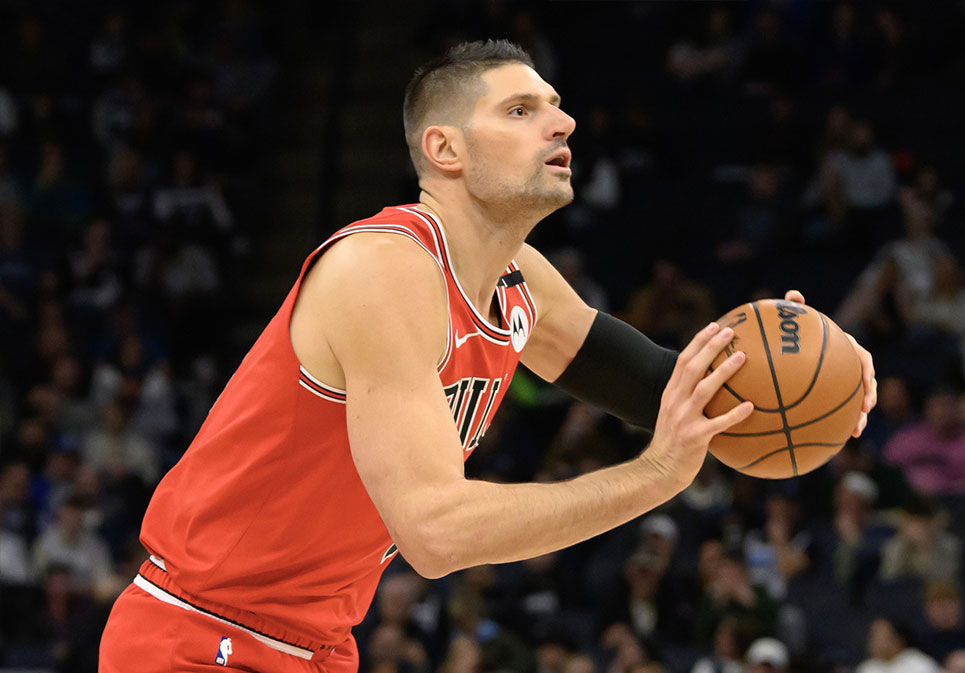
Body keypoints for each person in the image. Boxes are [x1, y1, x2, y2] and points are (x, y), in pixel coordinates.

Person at [97, 39, 878, 672]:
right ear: (445, 149)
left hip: (316, 645)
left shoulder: (516, 280)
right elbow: (435, 531)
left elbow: (654, 384)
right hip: (199, 634)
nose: (563, 123)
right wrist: (652, 476)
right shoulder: (383, 267)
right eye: (521, 109)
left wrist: (803, 380)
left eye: (557, 106)